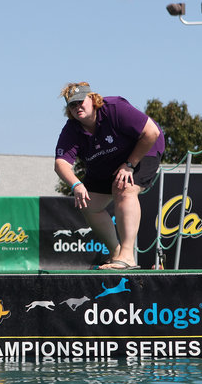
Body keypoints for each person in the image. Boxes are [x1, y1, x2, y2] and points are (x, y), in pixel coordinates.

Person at [54, 82, 165, 270]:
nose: (77, 107)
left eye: (81, 101)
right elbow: (60, 163)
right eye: (72, 105)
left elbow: (151, 132)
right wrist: (76, 185)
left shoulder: (115, 108)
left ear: (92, 99)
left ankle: (128, 257)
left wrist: (130, 165)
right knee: (88, 204)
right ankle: (116, 254)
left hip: (143, 150)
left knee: (124, 188)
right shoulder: (72, 129)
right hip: (107, 161)